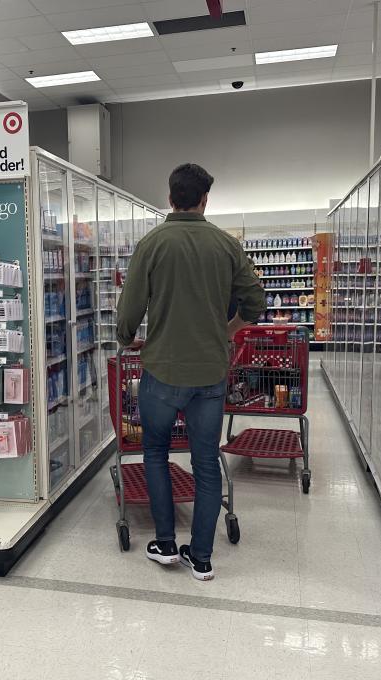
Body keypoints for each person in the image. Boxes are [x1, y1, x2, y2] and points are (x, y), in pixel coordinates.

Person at [115, 163, 265, 581]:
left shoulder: (152, 244)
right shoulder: (226, 246)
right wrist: (227, 330)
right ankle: (201, 557)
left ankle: (164, 543)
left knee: (156, 455)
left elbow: (129, 312)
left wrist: (128, 340)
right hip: (210, 376)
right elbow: (255, 302)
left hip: (160, 373)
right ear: (204, 200)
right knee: (205, 464)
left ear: (170, 197)